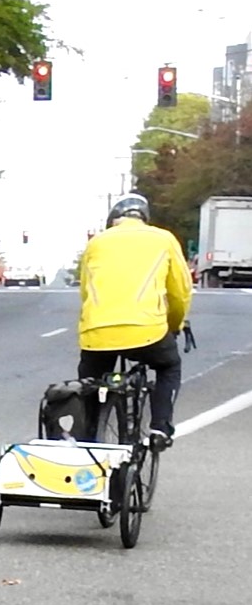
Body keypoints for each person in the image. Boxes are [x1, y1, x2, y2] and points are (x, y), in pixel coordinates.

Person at [78, 192, 192, 449]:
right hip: (148, 331)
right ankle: (160, 428)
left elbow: (86, 290)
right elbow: (180, 292)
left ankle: (88, 435)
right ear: (144, 218)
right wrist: (175, 325)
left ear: (113, 220)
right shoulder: (163, 239)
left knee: (90, 382)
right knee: (168, 366)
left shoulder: (96, 243)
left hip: (97, 334)